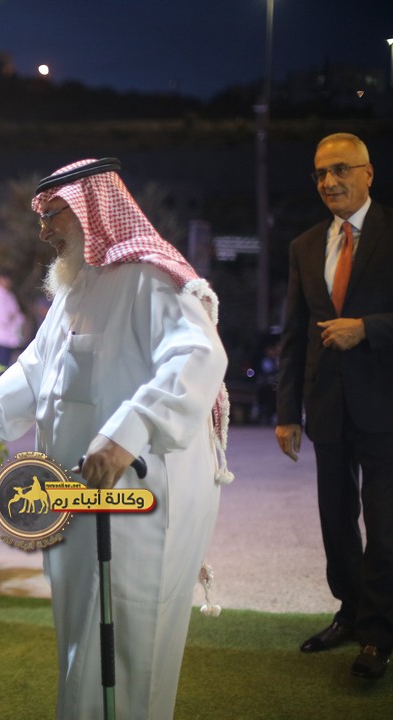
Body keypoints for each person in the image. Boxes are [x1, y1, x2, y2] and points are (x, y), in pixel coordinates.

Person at [0, 158, 230, 718]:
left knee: (130, 646)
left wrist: (127, 432)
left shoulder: (148, 279)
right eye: (41, 216)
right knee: (85, 640)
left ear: (95, 210)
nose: (44, 230)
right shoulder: (78, 286)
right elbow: (32, 377)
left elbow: (199, 355)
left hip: (140, 498)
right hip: (78, 498)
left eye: (55, 214)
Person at [275, 132, 392, 680]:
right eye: (321, 173)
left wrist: (367, 328)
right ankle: (350, 611)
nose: (329, 181)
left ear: (369, 173)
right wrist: (285, 413)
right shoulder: (304, 246)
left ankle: (378, 633)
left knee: (385, 525)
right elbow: (293, 334)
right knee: (335, 520)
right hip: (326, 405)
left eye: (341, 169)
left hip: (385, 405)